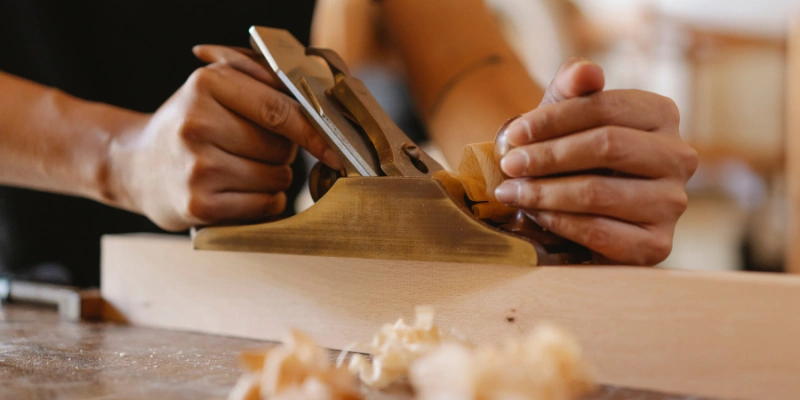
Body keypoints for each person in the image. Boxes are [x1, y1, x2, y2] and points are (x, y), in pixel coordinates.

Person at [0, 0, 697, 286]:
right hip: (32, 296)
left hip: (275, 293)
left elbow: (463, 67)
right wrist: (118, 155)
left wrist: (550, 169)